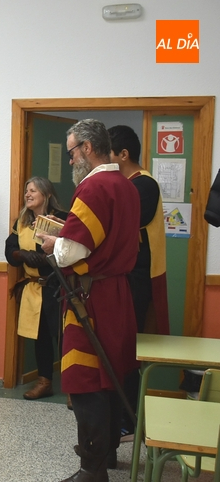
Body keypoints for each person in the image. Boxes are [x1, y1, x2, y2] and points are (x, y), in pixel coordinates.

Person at [39, 119, 140, 482]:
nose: (69, 161)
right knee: (112, 375)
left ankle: (92, 470)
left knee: (86, 383)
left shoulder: (94, 186)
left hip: (91, 297)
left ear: (88, 148)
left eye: (71, 152)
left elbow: (73, 252)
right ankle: (108, 452)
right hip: (117, 294)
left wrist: (54, 244)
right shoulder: (128, 186)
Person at [108, 125, 171, 438]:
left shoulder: (144, 184)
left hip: (138, 278)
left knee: (129, 350)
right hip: (123, 276)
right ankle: (118, 415)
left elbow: (123, 220)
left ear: (123, 154)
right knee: (118, 349)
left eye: (110, 153)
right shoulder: (124, 183)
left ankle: (128, 420)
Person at [5, 177, 67, 400]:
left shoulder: (62, 220)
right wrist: (21, 255)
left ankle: (73, 388)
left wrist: (42, 258)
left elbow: (68, 251)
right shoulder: (21, 221)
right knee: (40, 337)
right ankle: (44, 381)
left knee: (63, 338)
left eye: (33, 191)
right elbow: (9, 248)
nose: (27, 195)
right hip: (34, 288)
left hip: (56, 288)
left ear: (47, 194)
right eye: (26, 191)